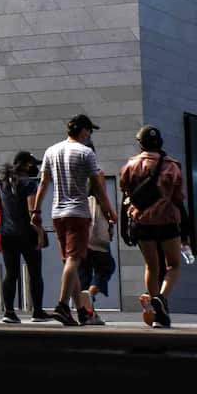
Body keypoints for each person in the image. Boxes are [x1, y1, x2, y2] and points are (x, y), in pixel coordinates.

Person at [31, 114, 116, 327]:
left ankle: (81, 312)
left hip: (57, 213)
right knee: (74, 260)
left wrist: (36, 210)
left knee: (71, 262)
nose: (90, 135)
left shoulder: (51, 150)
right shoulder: (86, 152)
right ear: (83, 130)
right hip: (78, 213)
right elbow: (97, 187)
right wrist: (109, 214)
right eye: (89, 131)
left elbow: (43, 183)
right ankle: (61, 305)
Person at [120, 124, 187, 329]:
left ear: (140, 144)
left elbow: (126, 195)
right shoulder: (173, 166)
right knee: (173, 264)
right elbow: (178, 198)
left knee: (151, 266)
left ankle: (156, 301)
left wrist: (125, 227)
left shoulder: (130, 166)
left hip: (142, 222)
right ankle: (161, 299)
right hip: (167, 221)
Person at [0, 151, 50, 324]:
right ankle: (37, 312)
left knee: (11, 273)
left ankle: (9, 312)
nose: (36, 168)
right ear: (24, 165)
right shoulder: (29, 184)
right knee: (35, 273)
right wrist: (40, 233)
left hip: (7, 235)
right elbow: (33, 212)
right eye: (33, 165)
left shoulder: (4, 183)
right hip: (27, 234)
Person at [76, 184, 116, 327]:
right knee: (106, 267)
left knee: (84, 273)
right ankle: (90, 295)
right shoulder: (97, 180)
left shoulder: (77, 193)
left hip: (80, 235)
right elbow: (108, 211)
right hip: (96, 239)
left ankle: (87, 313)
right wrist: (112, 219)